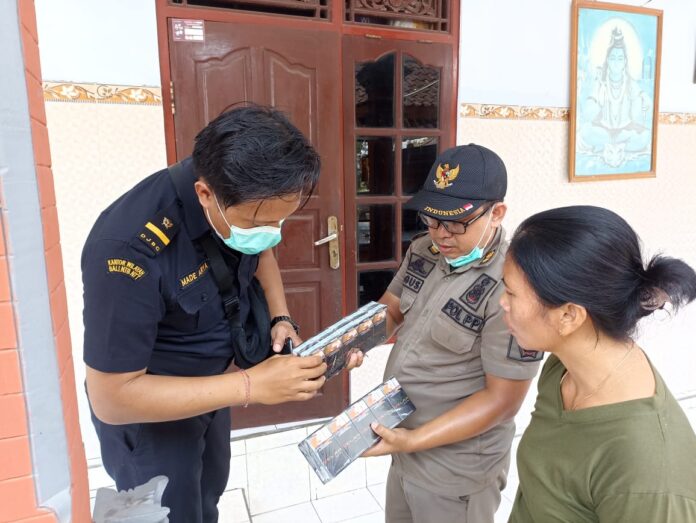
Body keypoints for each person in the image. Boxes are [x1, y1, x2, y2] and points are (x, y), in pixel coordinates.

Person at [82, 106, 360, 522]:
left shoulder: (240, 199)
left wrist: (280, 318)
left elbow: (260, 248)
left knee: (206, 499)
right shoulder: (127, 251)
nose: (271, 231)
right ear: (205, 194)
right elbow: (111, 399)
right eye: (258, 222)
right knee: (166, 516)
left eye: (280, 220)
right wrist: (250, 386)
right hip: (149, 419)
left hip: (212, 392)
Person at [362, 144, 542, 523]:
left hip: (455, 468)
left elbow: (502, 402)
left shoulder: (514, 287)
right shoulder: (424, 250)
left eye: (456, 223)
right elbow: (392, 309)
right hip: (403, 444)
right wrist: (350, 343)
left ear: (496, 213)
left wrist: (414, 440)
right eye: (431, 219)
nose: (441, 235)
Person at [502, 206, 696, 522]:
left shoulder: (647, 470)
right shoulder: (563, 368)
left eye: (511, 293)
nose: (502, 302)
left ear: (569, 315)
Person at [580, 27, 652, 167]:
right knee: (585, 132)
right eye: (612, 58)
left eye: (620, 58)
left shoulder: (630, 82)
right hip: (603, 129)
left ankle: (608, 145)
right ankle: (617, 144)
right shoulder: (601, 82)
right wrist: (598, 101)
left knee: (645, 137)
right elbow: (587, 114)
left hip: (625, 129)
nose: (616, 62)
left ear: (625, 61)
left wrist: (644, 98)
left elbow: (641, 97)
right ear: (607, 60)